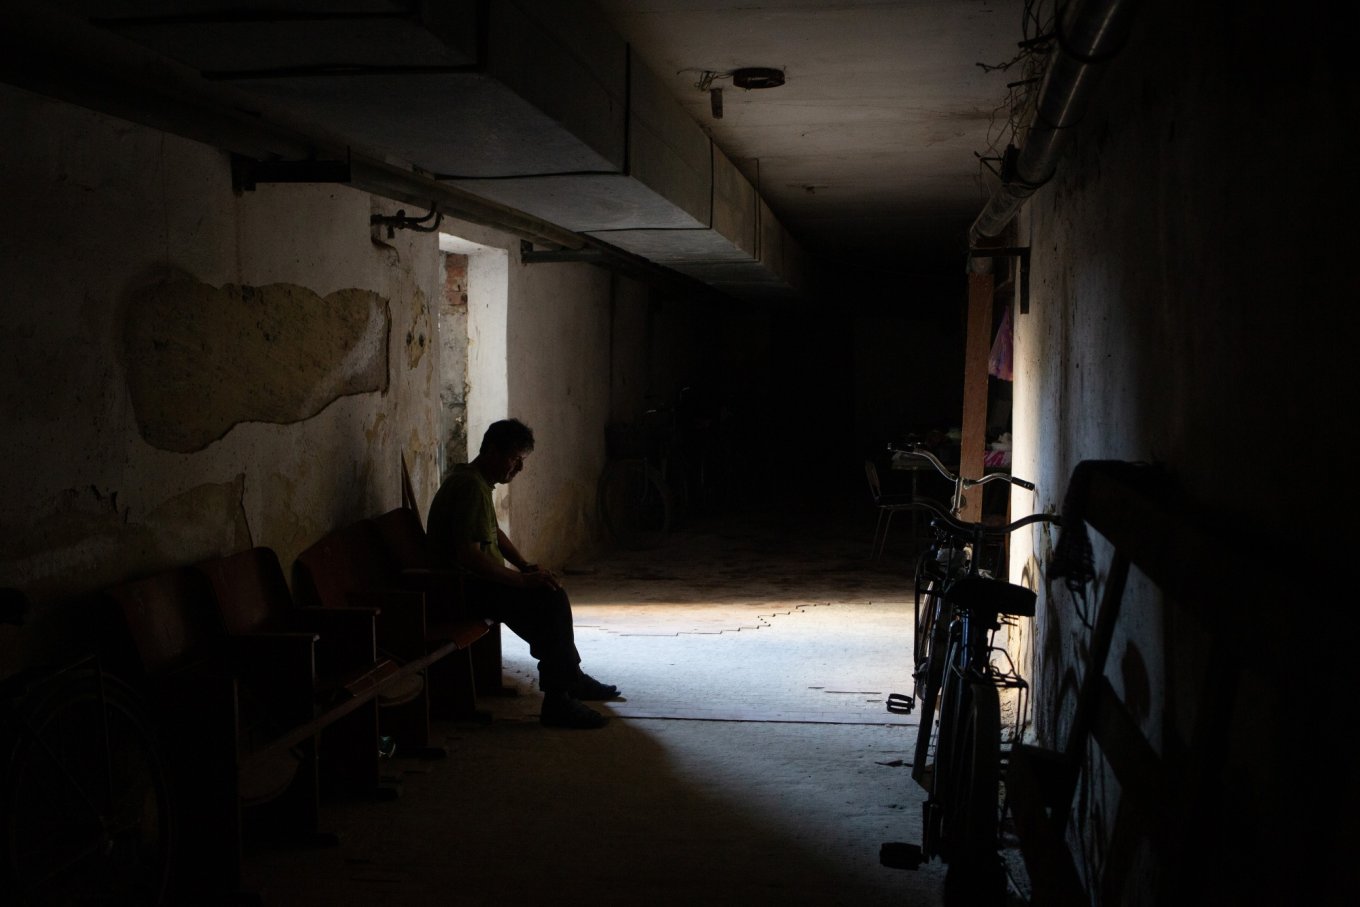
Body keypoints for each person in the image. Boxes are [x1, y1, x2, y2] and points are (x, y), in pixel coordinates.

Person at [426, 418, 619, 729]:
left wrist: (525, 565)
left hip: (474, 585)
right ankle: (559, 697)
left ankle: (570, 679)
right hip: (461, 590)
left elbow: (493, 534)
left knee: (548, 591)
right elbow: (469, 556)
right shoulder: (470, 488)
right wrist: (520, 580)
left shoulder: (475, 481)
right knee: (549, 600)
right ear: (491, 451)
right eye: (514, 459)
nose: (518, 469)